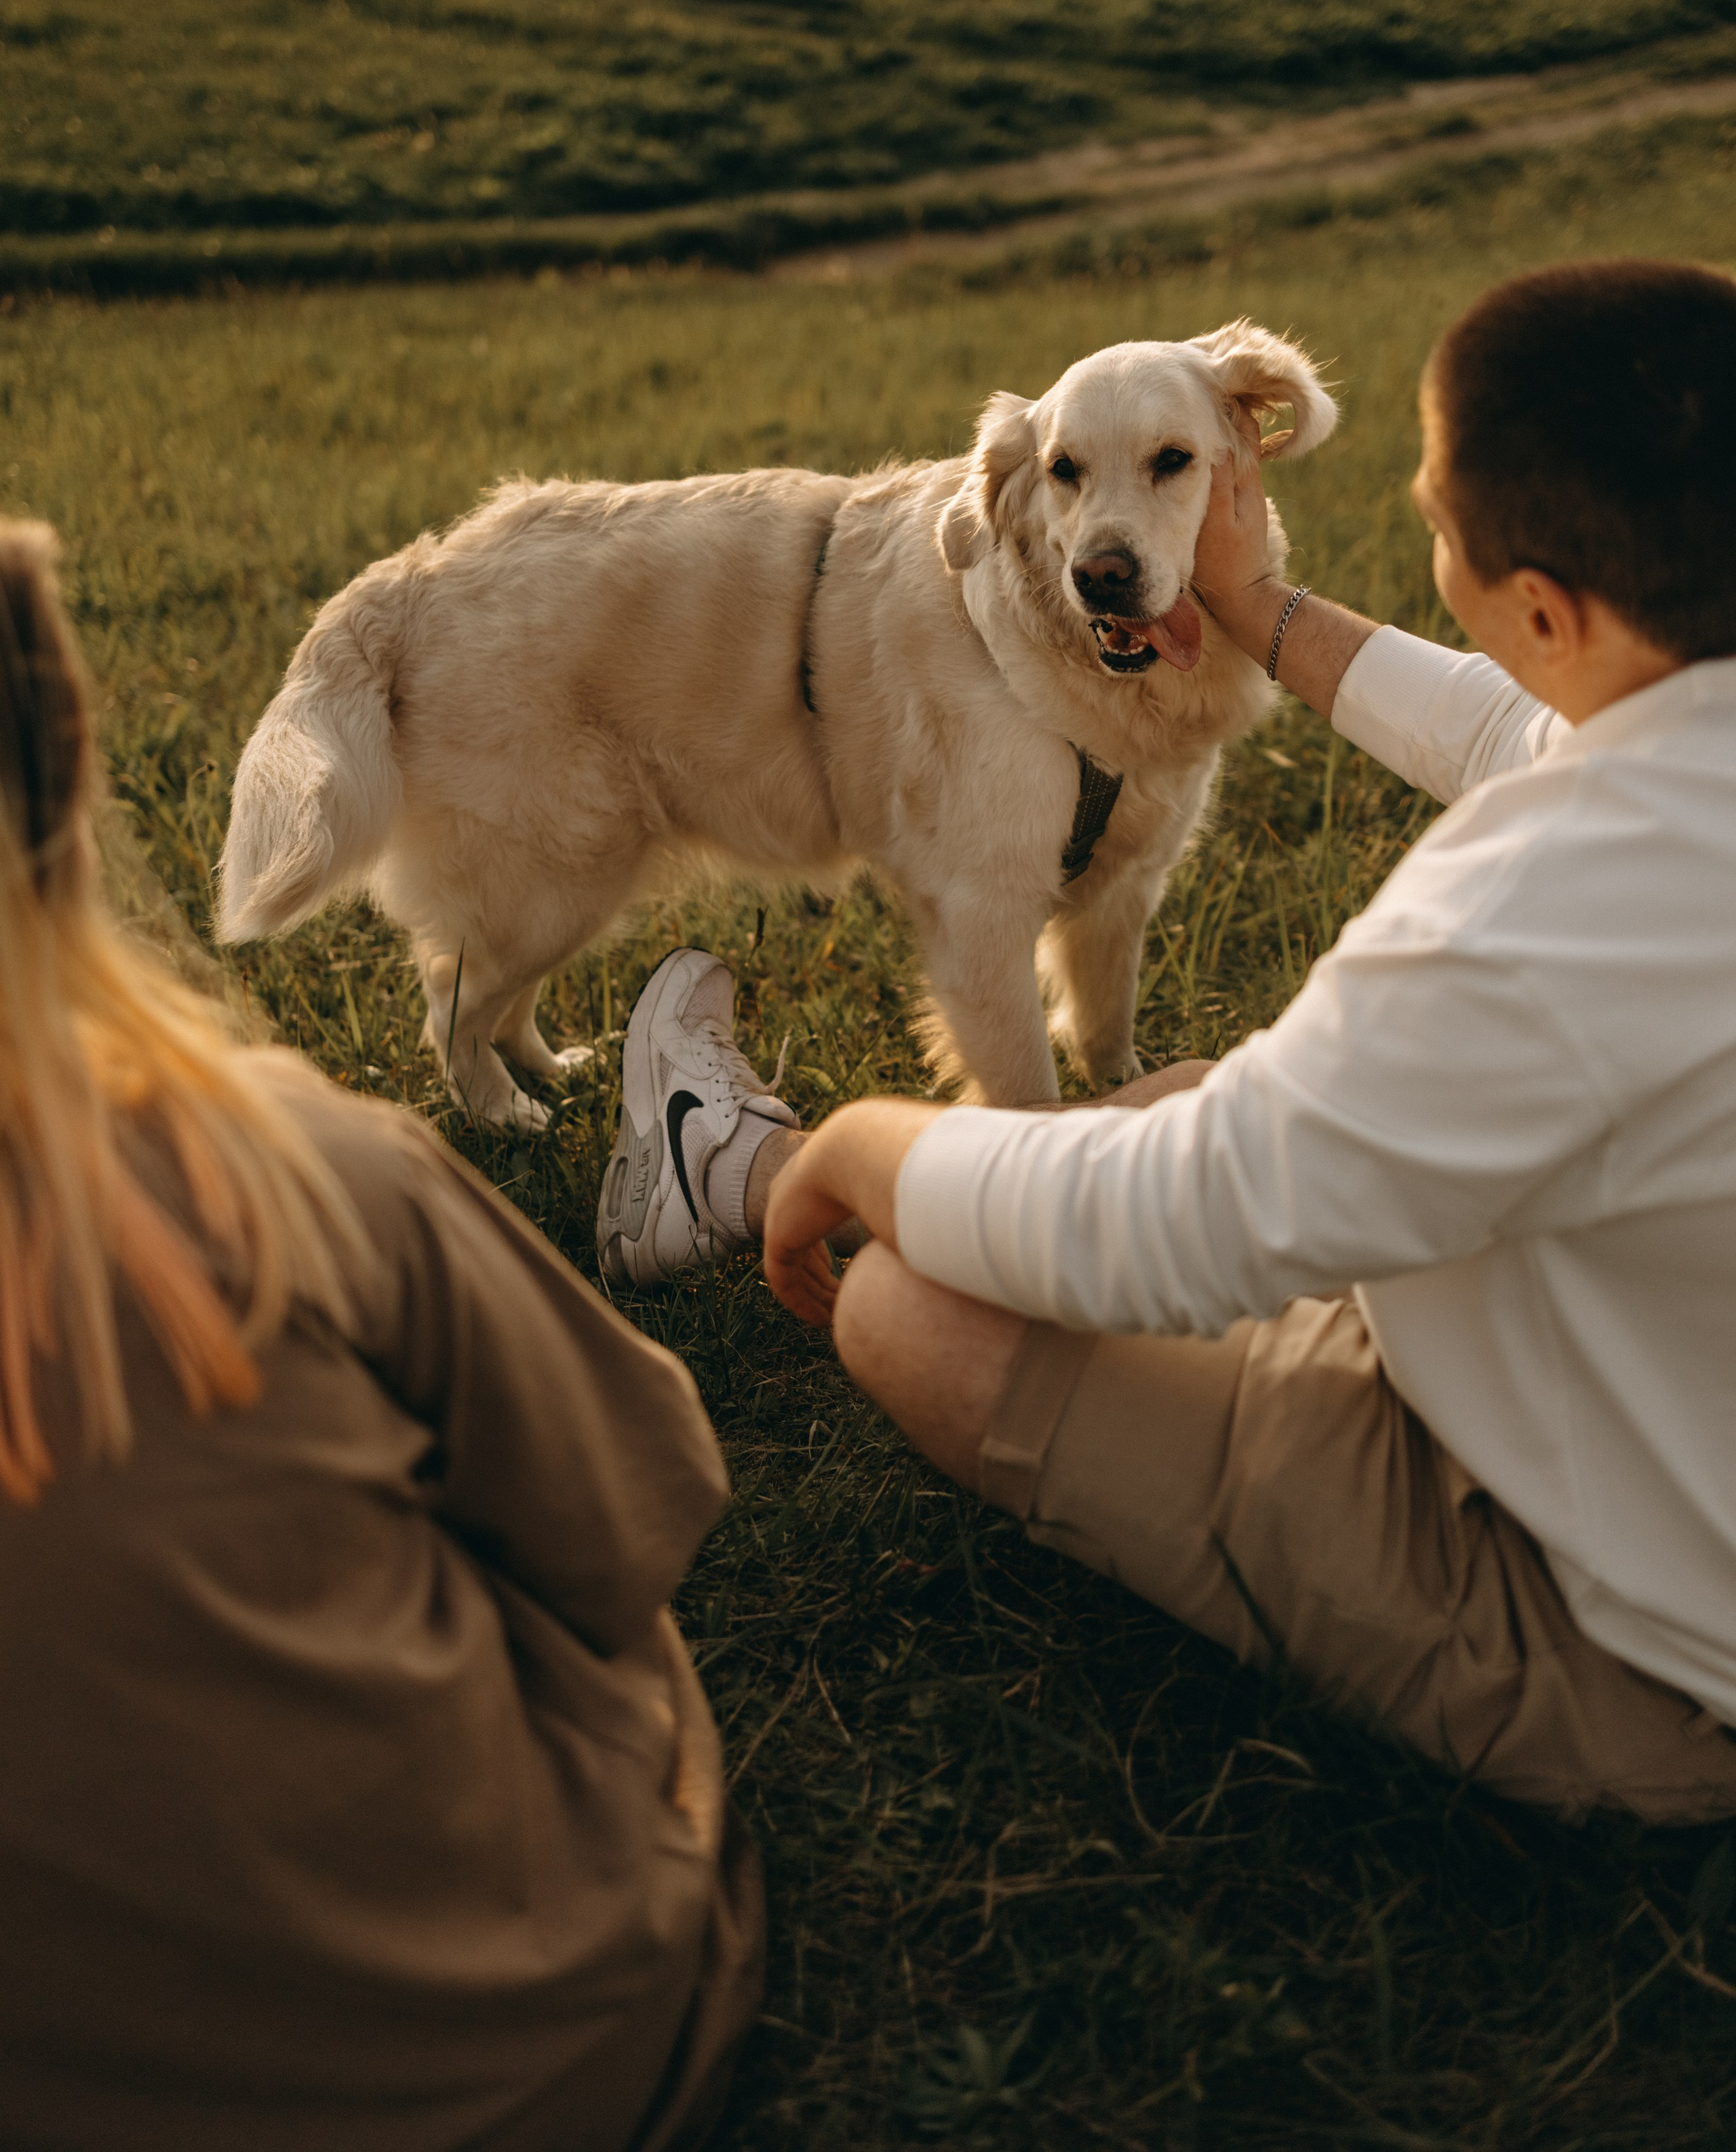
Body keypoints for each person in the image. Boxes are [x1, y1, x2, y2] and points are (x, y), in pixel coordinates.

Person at [598, 259, 1736, 1824]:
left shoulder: (1530, 917)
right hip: (1643, 1401)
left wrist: (858, 1143)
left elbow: (1168, 1228)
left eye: (1432, 527)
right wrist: (1256, 608)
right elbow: (1510, 728)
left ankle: (727, 1164)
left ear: (1537, 605)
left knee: (923, 1307)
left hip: (1647, 1658)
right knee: (1183, 1097)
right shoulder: (1675, 755)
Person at [0, 520, 761, 2151]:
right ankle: (717, 1150)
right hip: (566, 2058)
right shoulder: (290, 1171)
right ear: (62, 786)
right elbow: (643, 1510)